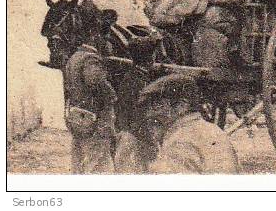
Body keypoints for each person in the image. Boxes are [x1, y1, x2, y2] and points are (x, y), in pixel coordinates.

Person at [137, 74, 240, 174]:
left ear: (181, 106)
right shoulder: (213, 130)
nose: (149, 114)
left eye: (156, 106)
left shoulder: (180, 140)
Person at [63, 36, 117, 174]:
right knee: (98, 166)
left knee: (79, 162)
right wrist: (111, 93)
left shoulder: (74, 57)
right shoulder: (91, 59)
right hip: (95, 119)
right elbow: (96, 83)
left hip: (78, 116)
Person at [113, 34, 161, 174]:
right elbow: (141, 116)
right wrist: (151, 141)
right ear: (150, 58)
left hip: (126, 136)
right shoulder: (141, 81)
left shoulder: (130, 77)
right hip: (135, 140)